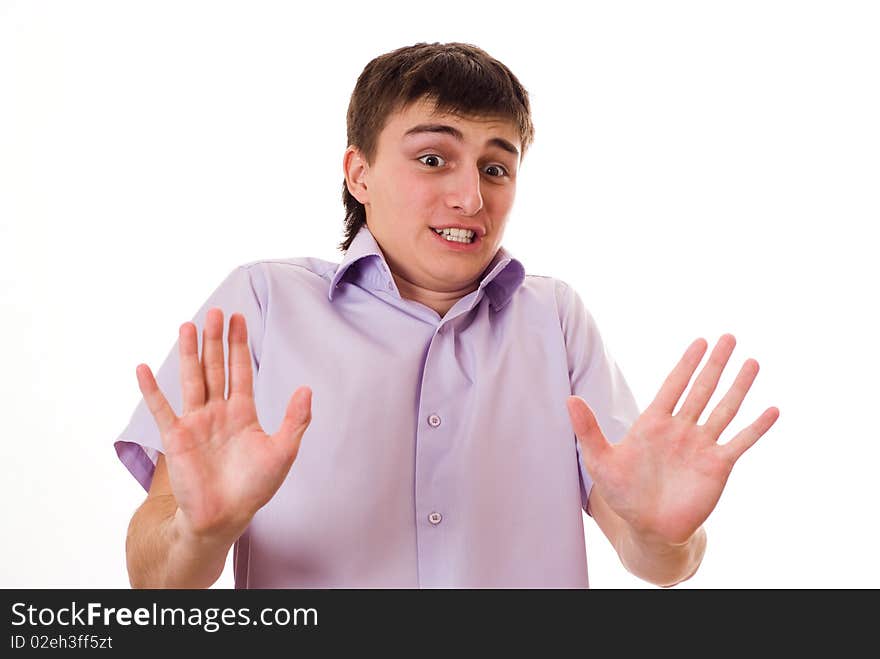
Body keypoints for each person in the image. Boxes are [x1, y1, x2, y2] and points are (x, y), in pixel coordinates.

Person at [115, 42, 779, 589]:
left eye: (496, 167)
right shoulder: (260, 303)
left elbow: (654, 556)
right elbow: (155, 577)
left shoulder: (555, 318)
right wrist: (199, 530)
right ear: (359, 173)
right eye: (433, 158)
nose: (471, 196)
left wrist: (667, 534)